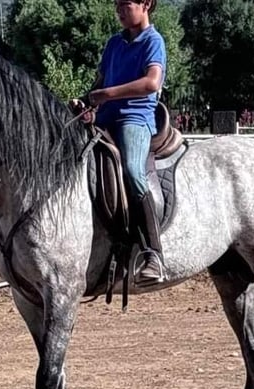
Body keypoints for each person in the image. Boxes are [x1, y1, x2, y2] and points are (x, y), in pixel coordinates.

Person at [72, 0, 167, 284]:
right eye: (117, 5)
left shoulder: (154, 41)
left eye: (125, 4)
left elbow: (151, 83)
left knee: (133, 172)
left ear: (146, 4)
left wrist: (107, 94)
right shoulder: (114, 43)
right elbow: (99, 83)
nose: (119, 10)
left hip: (135, 119)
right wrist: (86, 102)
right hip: (105, 118)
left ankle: (154, 254)